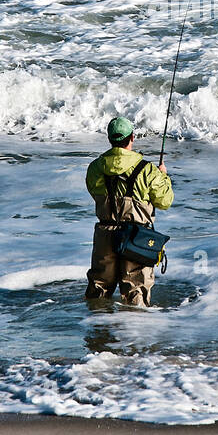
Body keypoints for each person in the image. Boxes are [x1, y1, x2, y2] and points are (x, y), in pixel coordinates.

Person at [84, 116, 173, 305]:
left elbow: (95, 193)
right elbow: (165, 201)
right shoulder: (148, 170)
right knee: (136, 294)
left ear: (110, 139)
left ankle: (98, 330)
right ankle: (133, 332)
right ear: (132, 138)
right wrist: (163, 177)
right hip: (137, 238)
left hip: (105, 235)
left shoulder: (95, 168)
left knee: (98, 292)